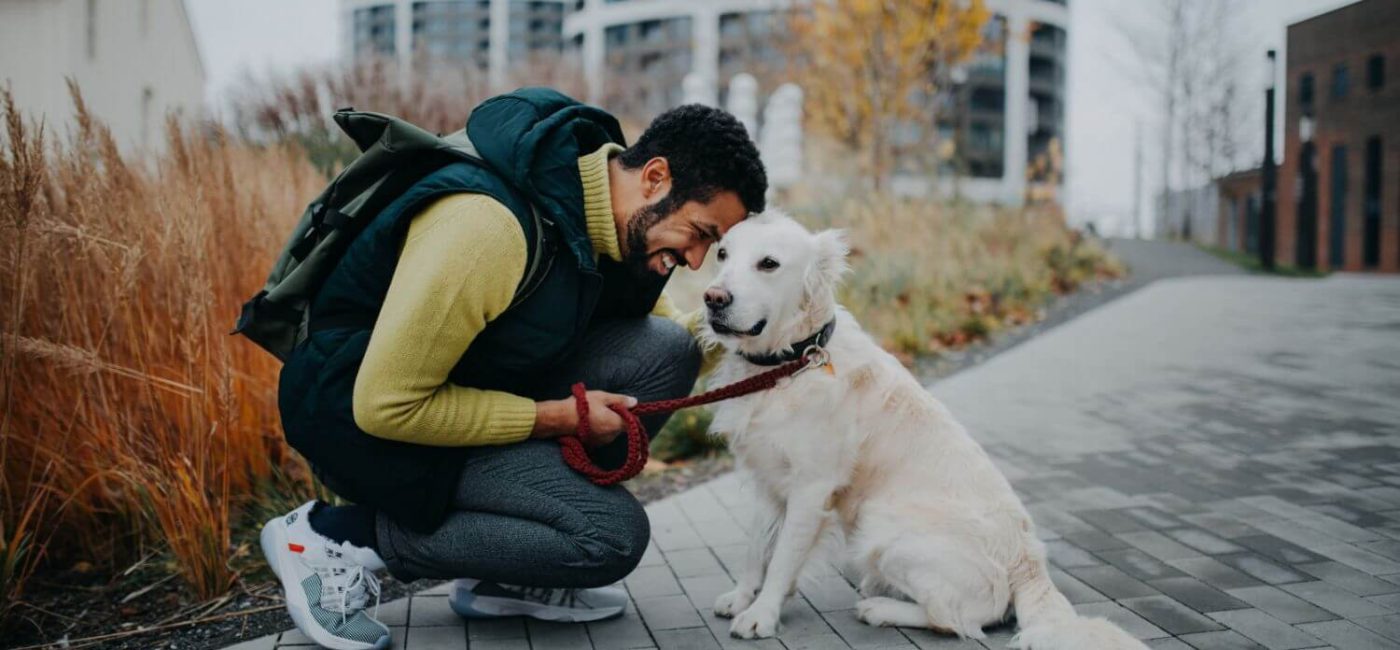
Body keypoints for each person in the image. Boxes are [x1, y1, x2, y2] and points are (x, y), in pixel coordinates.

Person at [258, 88, 767, 650]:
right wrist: (560, 417)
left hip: (467, 386)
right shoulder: (488, 228)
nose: (697, 260)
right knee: (610, 538)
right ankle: (332, 539)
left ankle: (508, 572)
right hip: (360, 419)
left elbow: (665, 329)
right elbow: (387, 405)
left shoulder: (602, 210)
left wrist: (792, 344)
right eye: (701, 233)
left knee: (668, 349)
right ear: (654, 178)